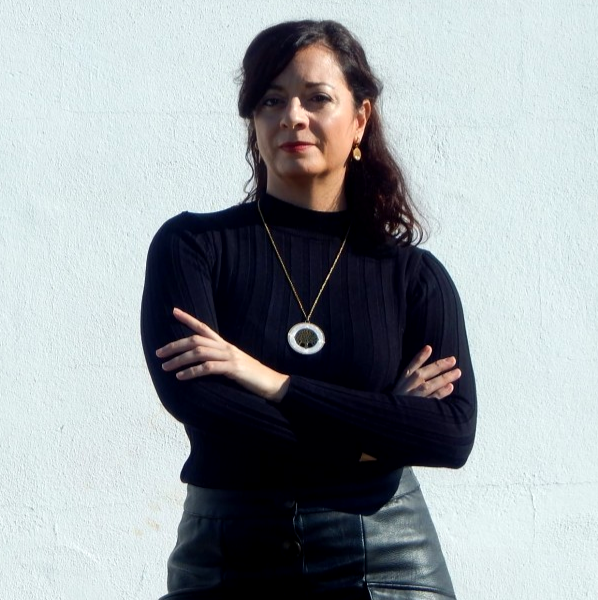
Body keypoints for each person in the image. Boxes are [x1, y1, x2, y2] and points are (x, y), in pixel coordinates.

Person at [141, 19, 476, 600]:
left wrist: (271, 382)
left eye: (316, 98)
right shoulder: (193, 247)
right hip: (228, 552)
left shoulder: (411, 275)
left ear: (360, 119)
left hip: (385, 553)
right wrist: (379, 430)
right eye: (272, 100)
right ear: (254, 121)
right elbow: (201, 402)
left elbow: (449, 435)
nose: (292, 116)